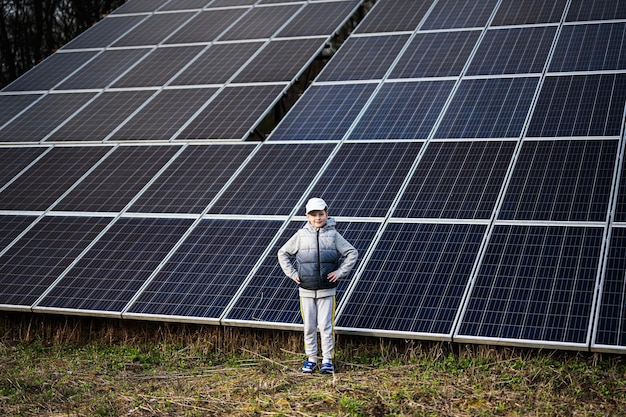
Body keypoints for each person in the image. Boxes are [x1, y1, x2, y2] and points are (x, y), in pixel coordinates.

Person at [278, 197, 358, 374]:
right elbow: (282, 253)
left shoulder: (333, 235)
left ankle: (328, 360)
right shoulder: (300, 235)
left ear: (326, 214)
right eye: (313, 215)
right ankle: (311, 358)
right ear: (307, 216)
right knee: (309, 327)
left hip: (327, 290)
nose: (318, 218)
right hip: (306, 290)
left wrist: (339, 272)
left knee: (326, 326)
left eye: (321, 214)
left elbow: (352, 252)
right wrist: (292, 274)